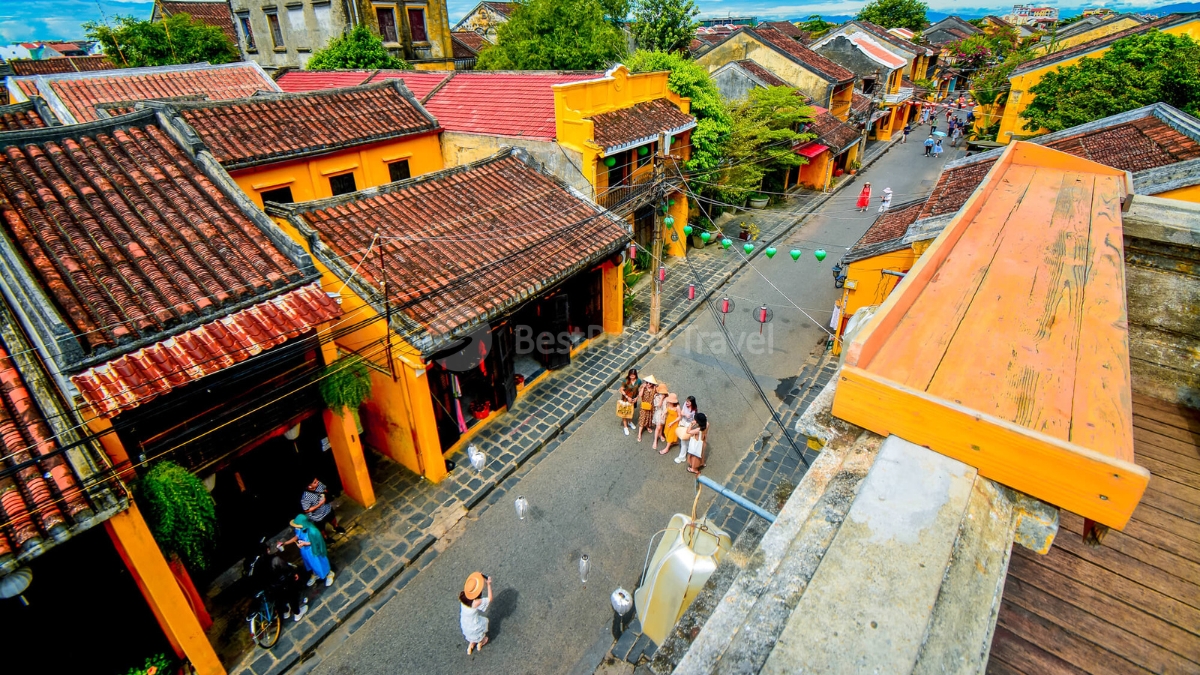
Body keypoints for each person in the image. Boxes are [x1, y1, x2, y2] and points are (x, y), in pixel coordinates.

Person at [280, 514, 335, 587]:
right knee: (310, 563)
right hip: (305, 551)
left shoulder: (313, 531)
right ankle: (316, 573)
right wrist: (285, 543)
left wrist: (304, 543)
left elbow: (316, 542)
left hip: (314, 550)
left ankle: (329, 573)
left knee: (318, 563)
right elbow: (297, 536)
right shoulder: (299, 529)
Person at [460, 572, 493, 654]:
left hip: (465, 622)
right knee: (480, 629)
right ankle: (481, 642)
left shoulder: (463, 596)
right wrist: (488, 584)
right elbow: (490, 599)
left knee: (471, 634)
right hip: (474, 623)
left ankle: (471, 644)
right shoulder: (476, 602)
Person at [674, 396, 697, 464]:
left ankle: (682, 457)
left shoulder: (694, 410)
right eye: (686, 401)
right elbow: (681, 412)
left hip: (688, 424)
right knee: (684, 439)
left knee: (683, 440)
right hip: (683, 421)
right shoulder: (685, 404)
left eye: (688, 402)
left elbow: (694, 421)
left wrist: (690, 426)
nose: (686, 403)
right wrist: (685, 415)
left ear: (692, 403)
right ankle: (688, 448)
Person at [618, 369, 640, 436]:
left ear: (635, 375)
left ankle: (630, 422)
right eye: (630, 375)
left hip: (633, 399)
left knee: (631, 411)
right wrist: (627, 397)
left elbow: (640, 390)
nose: (632, 377)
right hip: (626, 399)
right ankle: (625, 427)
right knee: (624, 413)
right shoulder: (626, 381)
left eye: (633, 375)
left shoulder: (638, 381)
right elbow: (621, 389)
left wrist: (637, 398)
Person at [636, 376, 658, 442]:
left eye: (650, 383)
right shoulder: (643, 387)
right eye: (647, 383)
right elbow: (640, 395)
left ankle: (647, 426)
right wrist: (643, 387)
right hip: (644, 406)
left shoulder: (654, 388)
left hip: (651, 406)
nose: (648, 384)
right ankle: (639, 434)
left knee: (649, 418)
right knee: (642, 419)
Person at [651, 383, 669, 451]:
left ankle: (660, 434)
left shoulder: (667, 396)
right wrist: (661, 398)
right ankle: (655, 440)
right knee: (658, 426)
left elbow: (668, 405)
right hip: (659, 412)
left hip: (665, 413)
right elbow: (658, 406)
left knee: (661, 425)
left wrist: (665, 413)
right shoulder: (656, 397)